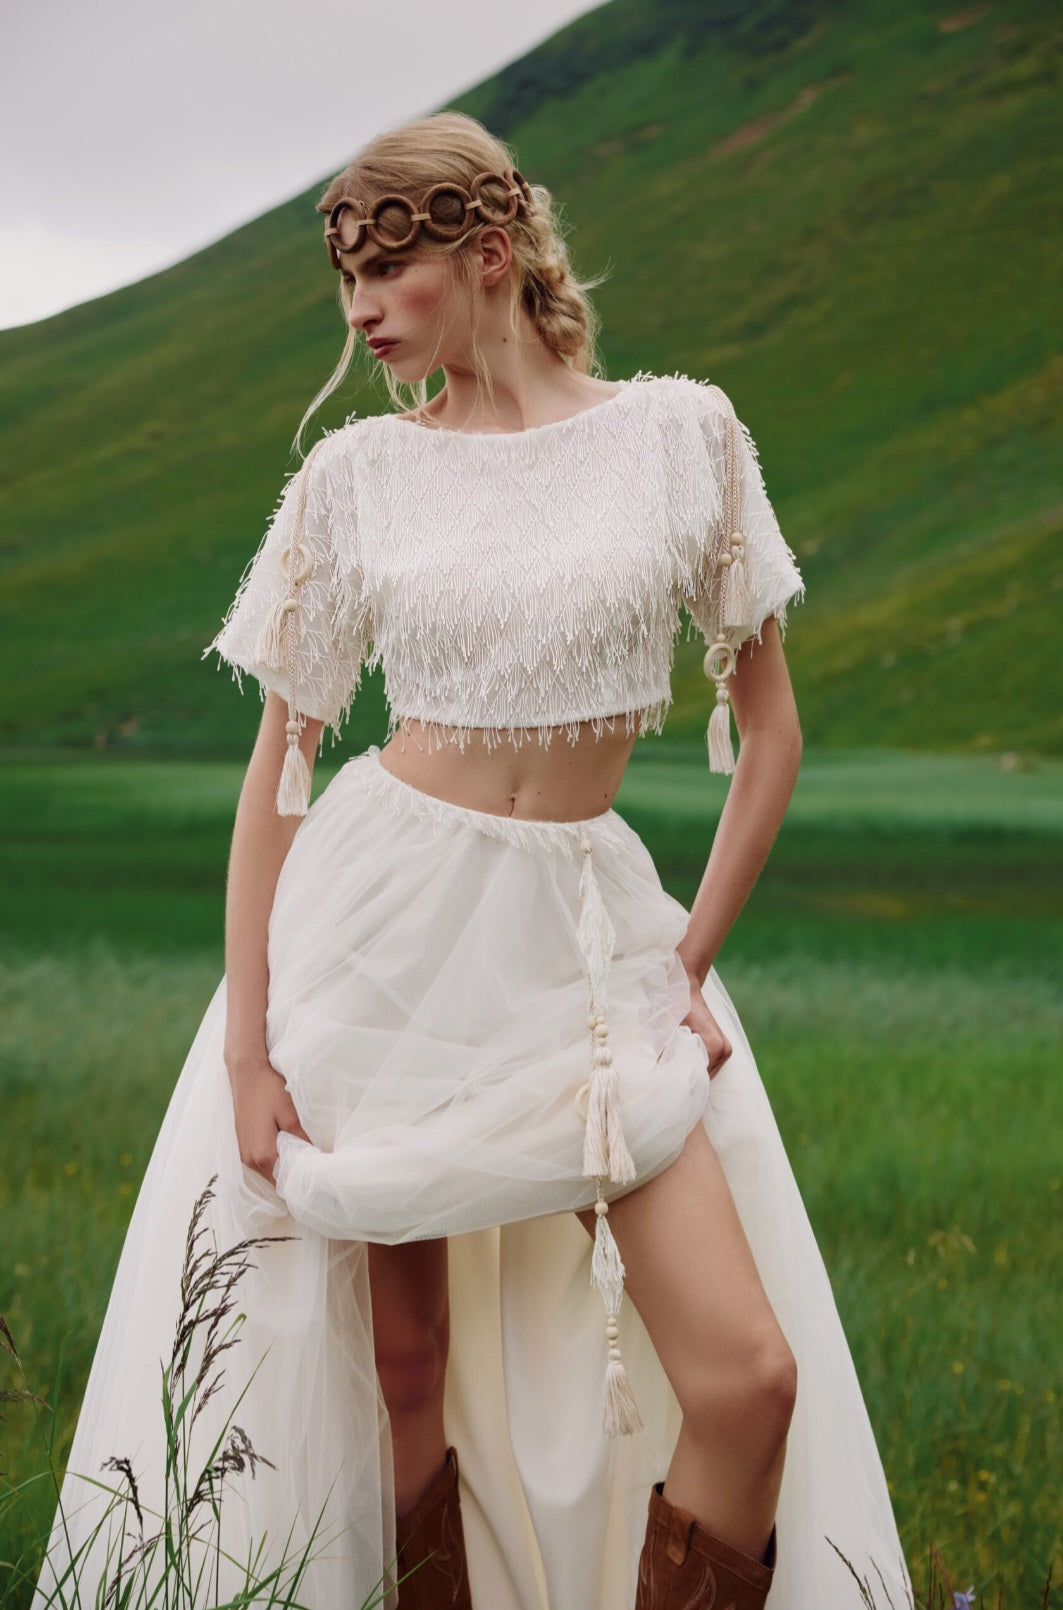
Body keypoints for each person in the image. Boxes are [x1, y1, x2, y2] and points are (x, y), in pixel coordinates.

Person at [33, 112, 912, 1610]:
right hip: (383, 928)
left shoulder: (684, 435)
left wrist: (683, 959)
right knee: (402, 1367)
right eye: (343, 281)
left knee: (748, 1378)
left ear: (488, 254)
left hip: (586, 944)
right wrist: (248, 1047)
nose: (359, 306)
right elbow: (280, 780)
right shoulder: (356, 476)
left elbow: (769, 735)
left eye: (387, 266)